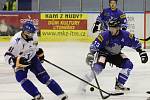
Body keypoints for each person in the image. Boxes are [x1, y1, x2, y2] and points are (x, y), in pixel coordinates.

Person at [78, 18, 148, 92]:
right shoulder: (104, 35)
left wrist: (141, 52)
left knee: (128, 64)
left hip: (116, 54)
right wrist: (91, 54)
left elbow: (135, 42)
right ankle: (82, 84)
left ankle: (119, 84)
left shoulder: (125, 35)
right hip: (103, 54)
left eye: (113, 28)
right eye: (110, 27)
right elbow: (95, 45)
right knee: (97, 68)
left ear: (118, 28)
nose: (111, 29)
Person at [4, 21, 68, 100]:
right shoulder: (15, 41)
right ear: (25, 32)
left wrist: (39, 52)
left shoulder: (34, 36)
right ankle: (37, 96)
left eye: (33, 33)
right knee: (21, 78)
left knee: (44, 78)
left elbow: (34, 47)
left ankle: (61, 94)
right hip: (20, 61)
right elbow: (7, 56)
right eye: (30, 33)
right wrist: (16, 60)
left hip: (32, 58)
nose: (32, 35)